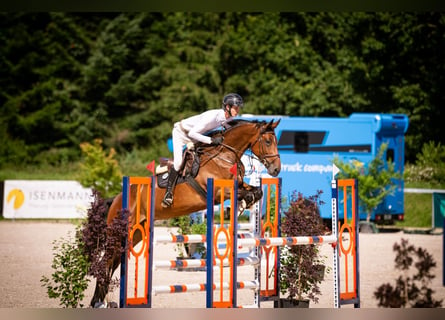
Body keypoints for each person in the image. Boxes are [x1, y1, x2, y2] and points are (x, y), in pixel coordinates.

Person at [162, 93, 244, 208]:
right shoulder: (212, 117)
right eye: (236, 107)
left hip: (195, 137)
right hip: (181, 134)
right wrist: (211, 141)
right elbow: (192, 133)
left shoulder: (226, 118)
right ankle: (168, 193)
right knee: (178, 163)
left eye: (238, 107)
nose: (237, 110)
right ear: (227, 107)